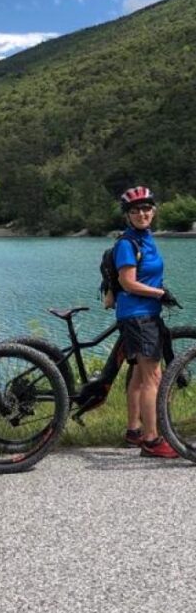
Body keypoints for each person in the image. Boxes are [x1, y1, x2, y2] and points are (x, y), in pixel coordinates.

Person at [114, 185, 178, 458]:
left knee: (141, 377)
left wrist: (157, 293)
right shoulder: (127, 243)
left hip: (144, 314)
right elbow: (127, 282)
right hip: (138, 315)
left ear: (154, 211)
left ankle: (134, 430)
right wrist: (160, 294)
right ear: (127, 215)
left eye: (146, 208)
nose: (142, 214)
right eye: (135, 210)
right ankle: (152, 440)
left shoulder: (146, 238)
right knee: (154, 377)